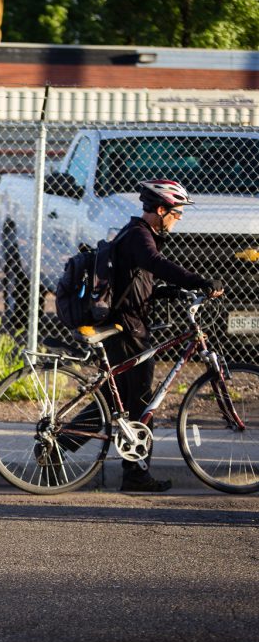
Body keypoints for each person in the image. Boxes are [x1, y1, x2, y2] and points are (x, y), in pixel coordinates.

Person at [108, 179, 223, 492]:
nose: (180, 217)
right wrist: (199, 281)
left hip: (126, 323)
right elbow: (154, 264)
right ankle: (136, 476)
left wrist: (172, 290)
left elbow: (138, 281)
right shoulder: (139, 236)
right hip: (128, 327)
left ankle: (59, 445)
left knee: (113, 398)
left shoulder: (137, 235)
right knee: (142, 401)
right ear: (160, 209)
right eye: (177, 211)